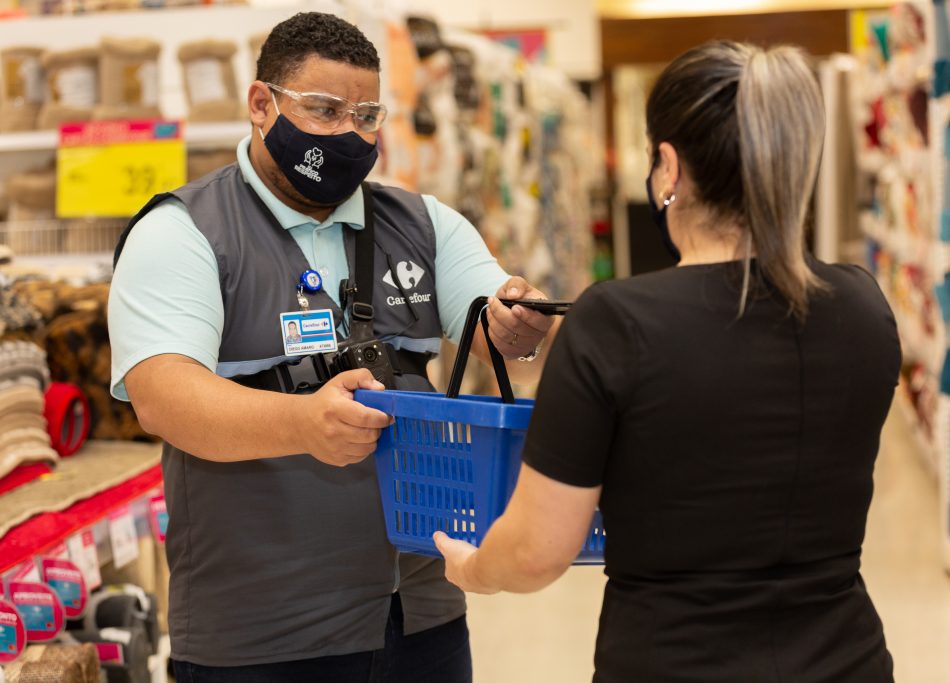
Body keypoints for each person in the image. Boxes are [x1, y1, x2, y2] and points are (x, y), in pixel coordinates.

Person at [108, 12, 557, 682]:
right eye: (323, 110)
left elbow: (492, 309)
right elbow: (161, 394)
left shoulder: (426, 225)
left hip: (423, 615)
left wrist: (515, 323)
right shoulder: (183, 233)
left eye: (367, 115)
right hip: (261, 635)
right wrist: (303, 422)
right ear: (262, 104)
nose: (350, 133)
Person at [435, 41, 901, 683]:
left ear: (669, 170)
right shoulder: (862, 304)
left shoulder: (616, 321)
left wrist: (473, 568)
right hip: (847, 660)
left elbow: (539, 549)